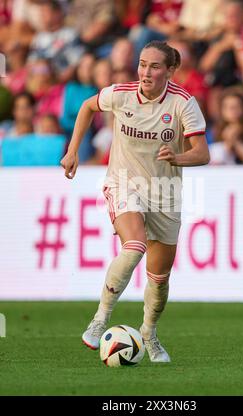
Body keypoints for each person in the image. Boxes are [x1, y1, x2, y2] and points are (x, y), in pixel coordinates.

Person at [60, 40, 210, 362]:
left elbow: (203, 153)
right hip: (123, 183)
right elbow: (87, 107)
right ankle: (100, 318)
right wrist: (73, 151)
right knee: (135, 245)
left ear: (170, 70)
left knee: (159, 279)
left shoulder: (183, 104)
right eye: (142, 64)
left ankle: (149, 333)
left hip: (165, 194)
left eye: (154, 66)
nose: (145, 72)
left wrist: (179, 158)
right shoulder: (121, 94)